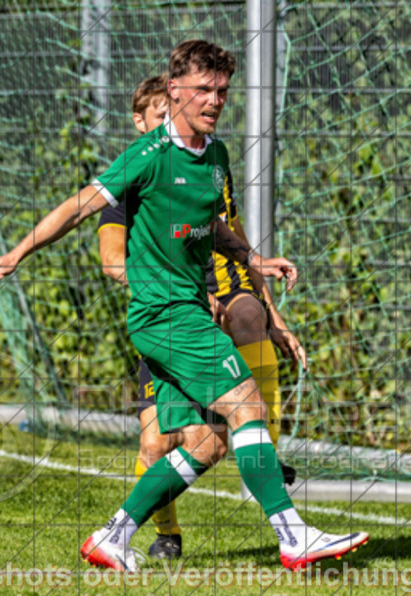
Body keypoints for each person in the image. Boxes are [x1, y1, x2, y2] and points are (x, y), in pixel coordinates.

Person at [0, 39, 368, 572]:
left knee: (206, 443)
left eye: (222, 91)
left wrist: (254, 261)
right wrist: (17, 252)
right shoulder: (147, 157)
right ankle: (293, 536)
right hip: (167, 314)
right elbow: (77, 208)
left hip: (182, 311)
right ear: (174, 90)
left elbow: (210, 227)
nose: (214, 101)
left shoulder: (216, 156)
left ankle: (111, 537)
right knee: (248, 407)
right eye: (203, 90)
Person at [97, 73, 304, 560]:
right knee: (161, 443)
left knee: (250, 314)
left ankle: (268, 473)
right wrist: (164, 287)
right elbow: (112, 261)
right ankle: (153, 533)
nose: (170, 124)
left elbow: (232, 235)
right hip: (167, 310)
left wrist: (275, 316)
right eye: (159, 117)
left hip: (212, 293)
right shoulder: (134, 179)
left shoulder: (209, 163)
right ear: (141, 121)